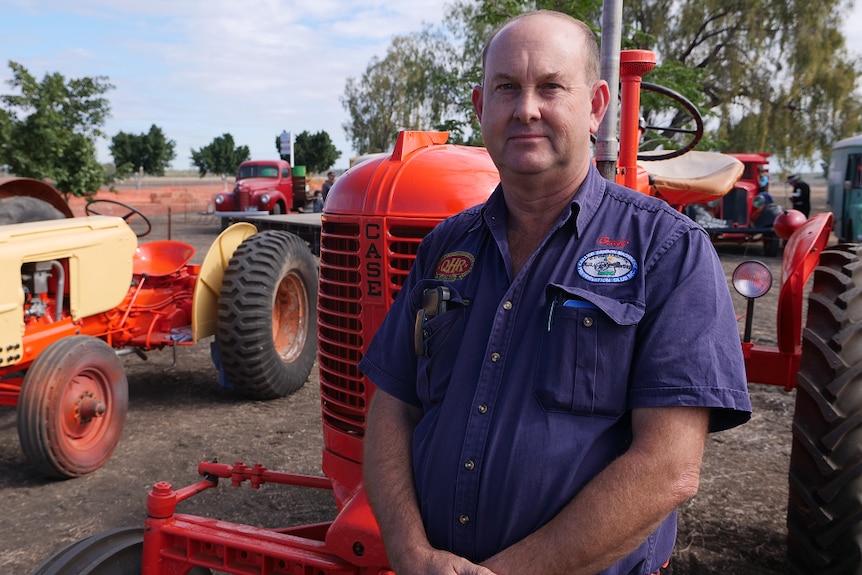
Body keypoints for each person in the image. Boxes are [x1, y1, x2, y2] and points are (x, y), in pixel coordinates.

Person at [359, 10, 752, 575]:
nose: (525, 109)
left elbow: (668, 465)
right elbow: (392, 407)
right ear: (480, 107)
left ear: (595, 105)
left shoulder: (669, 251)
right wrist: (409, 553)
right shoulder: (446, 246)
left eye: (550, 87)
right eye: (506, 89)